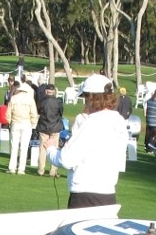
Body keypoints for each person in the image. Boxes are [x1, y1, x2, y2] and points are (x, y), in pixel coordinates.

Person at [47, 74, 128, 208]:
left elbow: (66, 160)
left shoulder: (92, 123)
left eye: (85, 97)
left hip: (85, 195)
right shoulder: (119, 121)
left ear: (91, 97)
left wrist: (50, 149)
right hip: (108, 194)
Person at [6, 81, 38, 175]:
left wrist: (9, 122)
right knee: (24, 147)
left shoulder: (14, 98)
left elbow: (8, 112)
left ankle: (12, 168)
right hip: (26, 124)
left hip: (15, 123)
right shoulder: (30, 99)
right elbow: (34, 114)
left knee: (14, 146)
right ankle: (21, 169)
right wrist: (33, 124)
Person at [36, 82, 63, 177]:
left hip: (44, 126)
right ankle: (53, 170)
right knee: (55, 148)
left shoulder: (42, 101)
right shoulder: (58, 102)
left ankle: (41, 169)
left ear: (46, 91)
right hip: (55, 126)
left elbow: (38, 111)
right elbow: (60, 113)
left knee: (42, 149)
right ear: (54, 91)